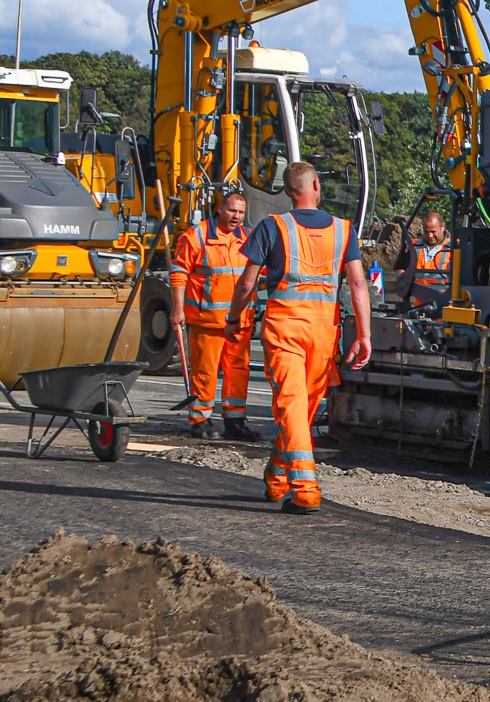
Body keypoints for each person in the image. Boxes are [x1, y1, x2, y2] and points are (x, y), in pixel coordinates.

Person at [228, 160, 372, 514]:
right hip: (324, 331)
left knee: (293, 406)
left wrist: (233, 317)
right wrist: (364, 334)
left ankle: (304, 487)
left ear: (288, 193)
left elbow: (247, 282)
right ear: (316, 186)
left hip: (285, 328)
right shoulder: (343, 229)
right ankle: (278, 478)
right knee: (302, 408)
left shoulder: (271, 226)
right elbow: (357, 283)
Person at [171, 185, 255, 439]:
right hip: (207, 321)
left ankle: (235, 420)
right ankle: (200, 419)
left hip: (239, 321)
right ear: (220, 209)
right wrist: (178, 309)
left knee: (238, 371)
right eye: (232, 210)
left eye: (240, 212)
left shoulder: (247, 238)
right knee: (205, 371)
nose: (236, 216)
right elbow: (178, 273)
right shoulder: (197, 237)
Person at [400, 205, 455, 315]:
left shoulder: (453, 249)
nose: (430, 236)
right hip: (418, 308)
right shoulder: (415, 247)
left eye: (433, 231)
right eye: (426, 231)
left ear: (442, 227)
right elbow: (401, 269)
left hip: (444, 308)